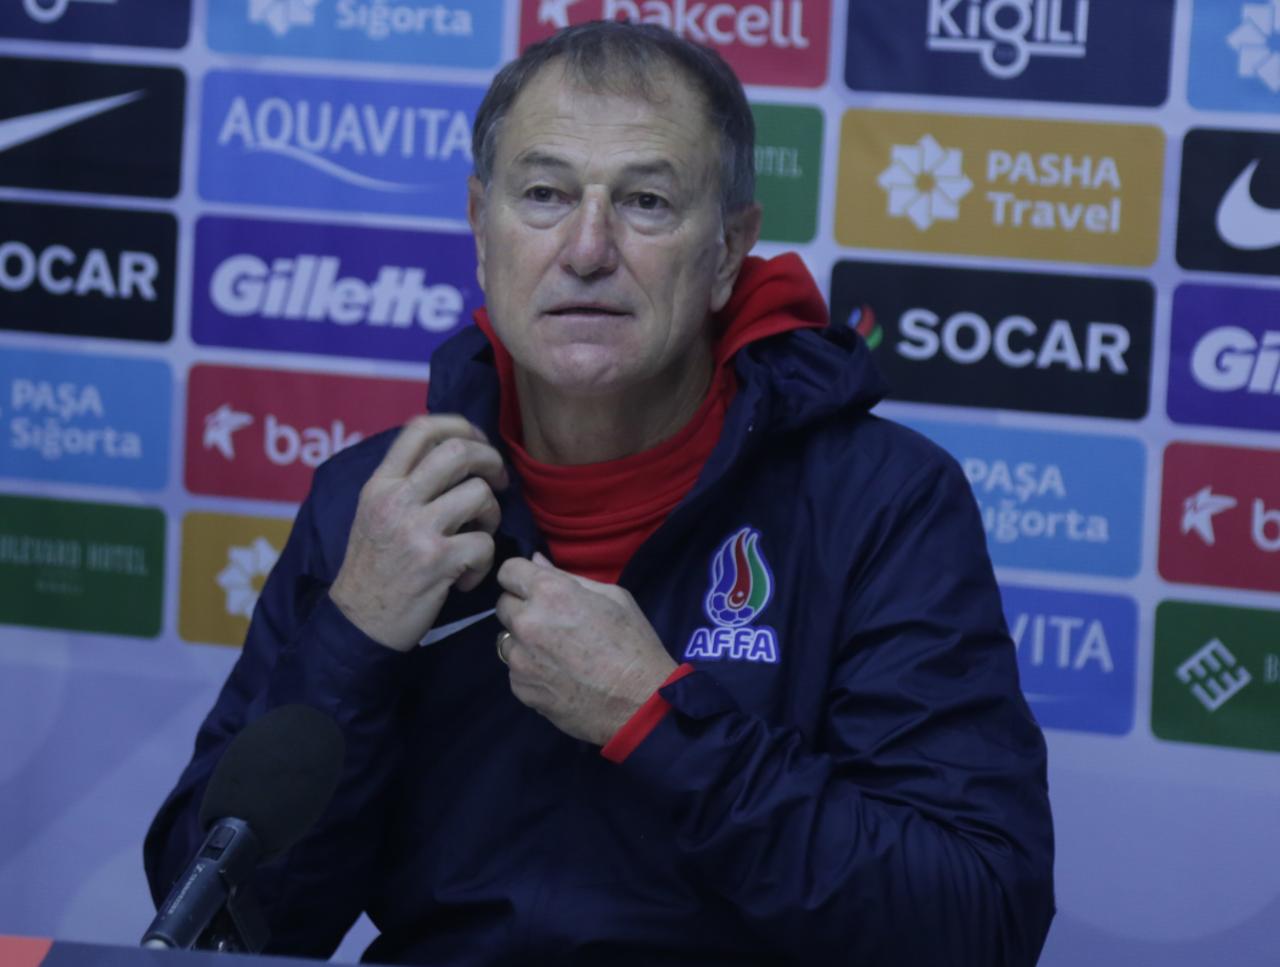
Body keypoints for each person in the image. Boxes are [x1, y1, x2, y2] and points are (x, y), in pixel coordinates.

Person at [146, 21, 1054, 967]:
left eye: (646, 202)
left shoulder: (881, 502)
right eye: (544, 195)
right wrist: (354, 635)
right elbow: (208, 925)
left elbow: (976, 922)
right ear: (480, 226)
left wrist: (656, 720)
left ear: (729, 251)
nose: (586, 249)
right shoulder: (375, 506)